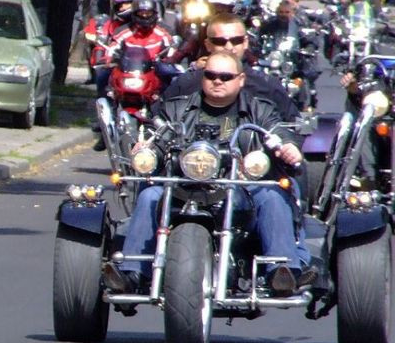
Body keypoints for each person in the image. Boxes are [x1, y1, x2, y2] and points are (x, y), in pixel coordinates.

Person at [114, 51, 311, 296]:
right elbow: (158, 133)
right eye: (211, 75)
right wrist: (146, 148)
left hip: (241, 187)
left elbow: (277, 131)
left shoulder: (259, 109)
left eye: (225, 77)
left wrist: (288, 146)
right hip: (182, 186)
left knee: (272, 195)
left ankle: (283, 271)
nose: (218, 81)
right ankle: (132, 272)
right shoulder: (177, 109)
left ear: (240, 80)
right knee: (149, 194)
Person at [162, 12, 300, 120]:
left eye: (236, 40)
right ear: (208, 45)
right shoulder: (186, 84)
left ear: (245, 42)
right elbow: (157, 123)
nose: (229, 47)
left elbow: (292, 126)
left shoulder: (267, 86)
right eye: (220, 41)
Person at [258, 0, 320, 110]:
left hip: (293, 63)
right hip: (273, 62)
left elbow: (310, 40)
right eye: (281, 12)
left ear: (292, 13)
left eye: (287, 12)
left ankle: (306, 104)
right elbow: (259, 38)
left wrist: (309, 49)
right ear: (277, 12)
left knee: (305, 74)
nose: (283, 15)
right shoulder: (269, 25)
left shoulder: (299, 25)